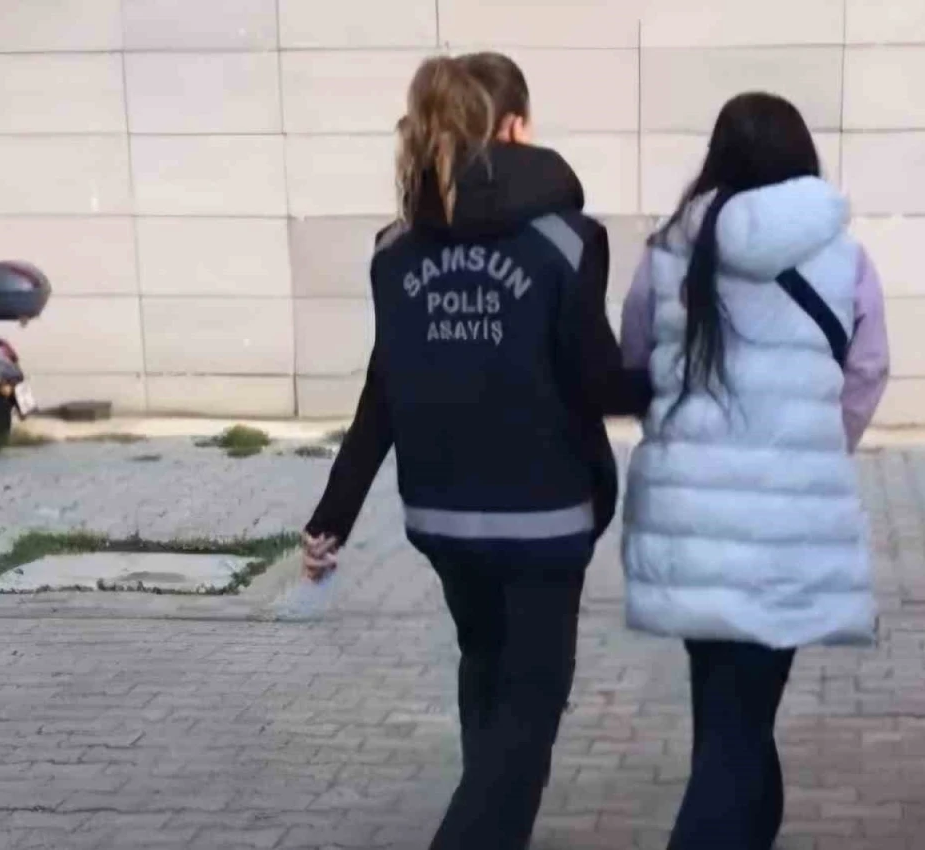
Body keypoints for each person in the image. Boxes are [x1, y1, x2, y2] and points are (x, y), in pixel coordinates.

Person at [301, 53, 649, 850]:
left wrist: (332, 518)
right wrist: (686, 374)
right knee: (530, 705)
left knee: (486, 670)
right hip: (543, 520)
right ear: (516, 128)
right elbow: (599, 382)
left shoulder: (395, 247)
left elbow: (382, 395)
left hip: (443, 517)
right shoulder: (566, 241)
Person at [619, 92, 890, 850]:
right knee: (740, 723)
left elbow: (638, 361)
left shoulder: (671, 250)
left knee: (728, 718)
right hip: (788, 530)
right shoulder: (843, 257)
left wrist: (684, 447)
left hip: (694, 528)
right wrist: (817, 446)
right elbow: (868, 367)